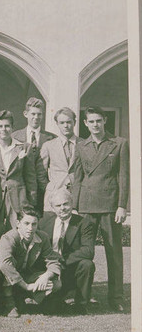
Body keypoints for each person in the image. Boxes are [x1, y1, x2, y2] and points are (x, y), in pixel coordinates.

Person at [72, 106, 129, 312]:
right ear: (85, 123)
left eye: (99, 121)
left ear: (105, 120)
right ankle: (83, 299)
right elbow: (77, 178)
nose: (95, 125)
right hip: (86, 206)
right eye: (91, 121)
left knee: (113, 253)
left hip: (110, 205)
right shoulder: (81, 146)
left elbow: (123, 177)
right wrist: (74, 207)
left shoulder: (119, 143)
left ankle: (116, 298)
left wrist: (122, 205)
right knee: (85, 253)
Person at [0, 206, 62, 318]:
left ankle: (27, 298)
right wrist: (26, 286)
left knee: (56, 283)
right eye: (26, 223)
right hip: (11, 279)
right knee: (5, 269)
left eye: (34, 224)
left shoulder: (43, 237)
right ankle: (10, 303)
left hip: (28, 276)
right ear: (18, 223)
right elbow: (4, 263)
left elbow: (53, 260)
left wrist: (45, 276)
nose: (30, 228)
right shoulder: (8, 237)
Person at [38, 189, 95, 314]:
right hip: (48, 270)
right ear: (52, 208)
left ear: (72, 203)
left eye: (66, 204)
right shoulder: (43, 223)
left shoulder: (84, 223)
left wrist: (61, 260)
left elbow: (88, 250)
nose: (62, 208)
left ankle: (81, 305)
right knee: (50, 309)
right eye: (58, 205)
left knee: (87, 264)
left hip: (69, 269)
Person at [0, 110, 37, 245]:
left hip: (18, 199)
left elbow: (31, 177)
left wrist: (31, 202)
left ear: (12, 128)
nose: (4, 129)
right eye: (0, 126)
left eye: (7, 126)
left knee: (17, 234)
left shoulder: (24, 147)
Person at [12, 97, 55, 214]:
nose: (36, 117)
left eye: (39, 114)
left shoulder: (51, 138)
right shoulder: (15, 137)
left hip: (44, 190)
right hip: (23, 189)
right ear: (25, 114)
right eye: (33, 114)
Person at [40, 107, 83, 211]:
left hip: (77, 195)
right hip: (54, 196)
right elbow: (41, 173)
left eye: (69, 122)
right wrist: (51, 187)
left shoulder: (84, 144)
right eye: (62, 122)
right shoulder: (48, 146)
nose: (66, 126)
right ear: (57, 124)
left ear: (74, 122)